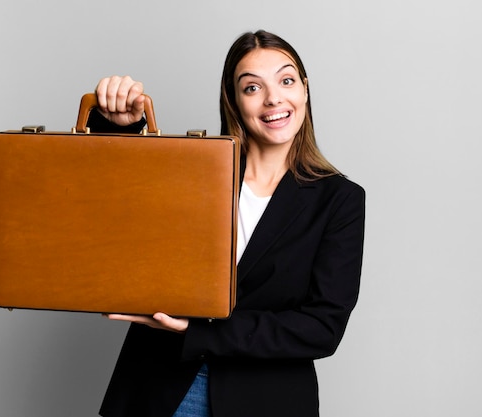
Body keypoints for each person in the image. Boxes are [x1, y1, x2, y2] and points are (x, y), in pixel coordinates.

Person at [87, 30, 365, 417]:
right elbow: (111, 208)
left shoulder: (340, 200)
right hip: (155, 386)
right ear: (234, 101)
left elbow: (322, 327)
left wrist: (200, 331)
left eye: (286, 81)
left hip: (263, 399)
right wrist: (118, 126)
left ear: (304, 90)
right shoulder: (191, 172)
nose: (273, 98)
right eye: (252, 87)